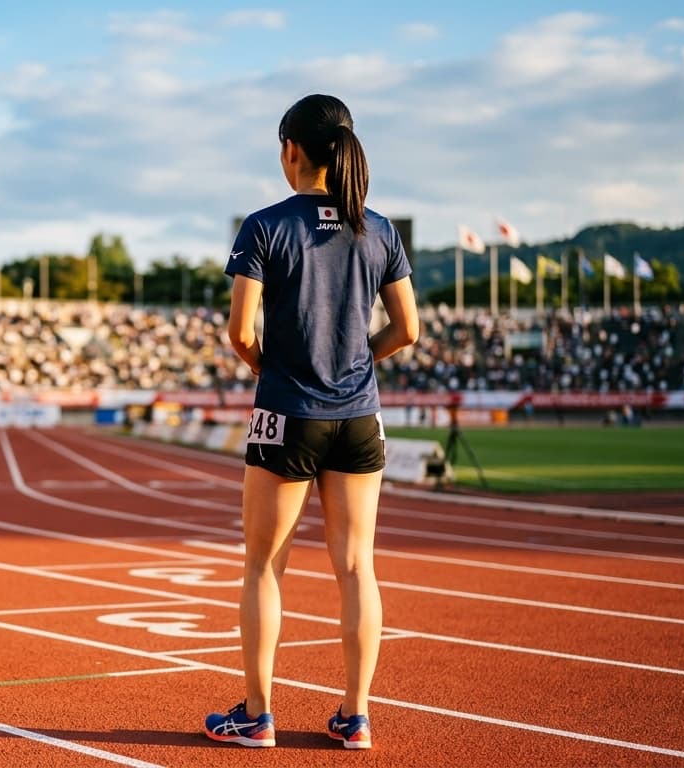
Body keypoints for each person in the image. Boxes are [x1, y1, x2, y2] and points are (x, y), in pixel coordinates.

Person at [203, 94, 419, 750]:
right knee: (357, 567)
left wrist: (271, 368)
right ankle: (356, 717)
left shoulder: (264, 226)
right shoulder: (378, 229)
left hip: (287, 414)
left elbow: (241, 332)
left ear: (291, 150)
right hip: (358, 415)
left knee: (263, 565)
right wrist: (358, 361)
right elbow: (406, 330)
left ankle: (258, 714)